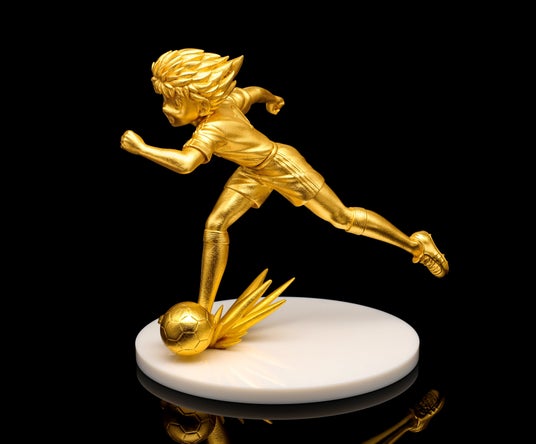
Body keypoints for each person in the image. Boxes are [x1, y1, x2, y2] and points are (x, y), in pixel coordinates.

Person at [121, 48, 449, 313]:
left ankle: (416, 245)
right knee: (215, 225)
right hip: (253, 171)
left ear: (204, 100)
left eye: (175, 101)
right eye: (166, 100)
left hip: (281, 165)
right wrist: (272, 98)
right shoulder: (224, 103)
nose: (166, 109)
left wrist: (142, 149)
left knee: (342, 218)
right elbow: (251, 93)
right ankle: (204, 309)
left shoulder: (212, 129)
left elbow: (186, 164)